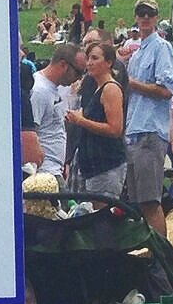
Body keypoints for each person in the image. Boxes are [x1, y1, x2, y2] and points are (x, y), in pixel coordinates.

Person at [120, 0, 173, 241]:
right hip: (134, 132)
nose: (145, 17)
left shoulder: (161, 47)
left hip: (150, 132)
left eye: (150, 13)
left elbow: (166, 90)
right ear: (135, 17)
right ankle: (149, 254)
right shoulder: (136, 53)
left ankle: (163, 261)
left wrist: (131, 83)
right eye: (141, 13)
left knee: (151, 202)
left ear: (156, 17)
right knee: (138, 204)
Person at [68, 37, 129, 200]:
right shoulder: (96, 88)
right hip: (92, 166)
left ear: (109, 62)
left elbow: (115, 129)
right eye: (88, 59)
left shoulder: (110, 89)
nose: (89, 63)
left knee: (101, 218)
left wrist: (82, 121)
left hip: (106, 165)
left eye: (95, 58)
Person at [29, 44, 78, 178]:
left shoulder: (53, 88)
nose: (78, 78)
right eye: (78, 72)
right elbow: (31, 132)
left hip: (55, 167)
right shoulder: (40, 90)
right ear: (63, 65)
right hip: (44, 172)